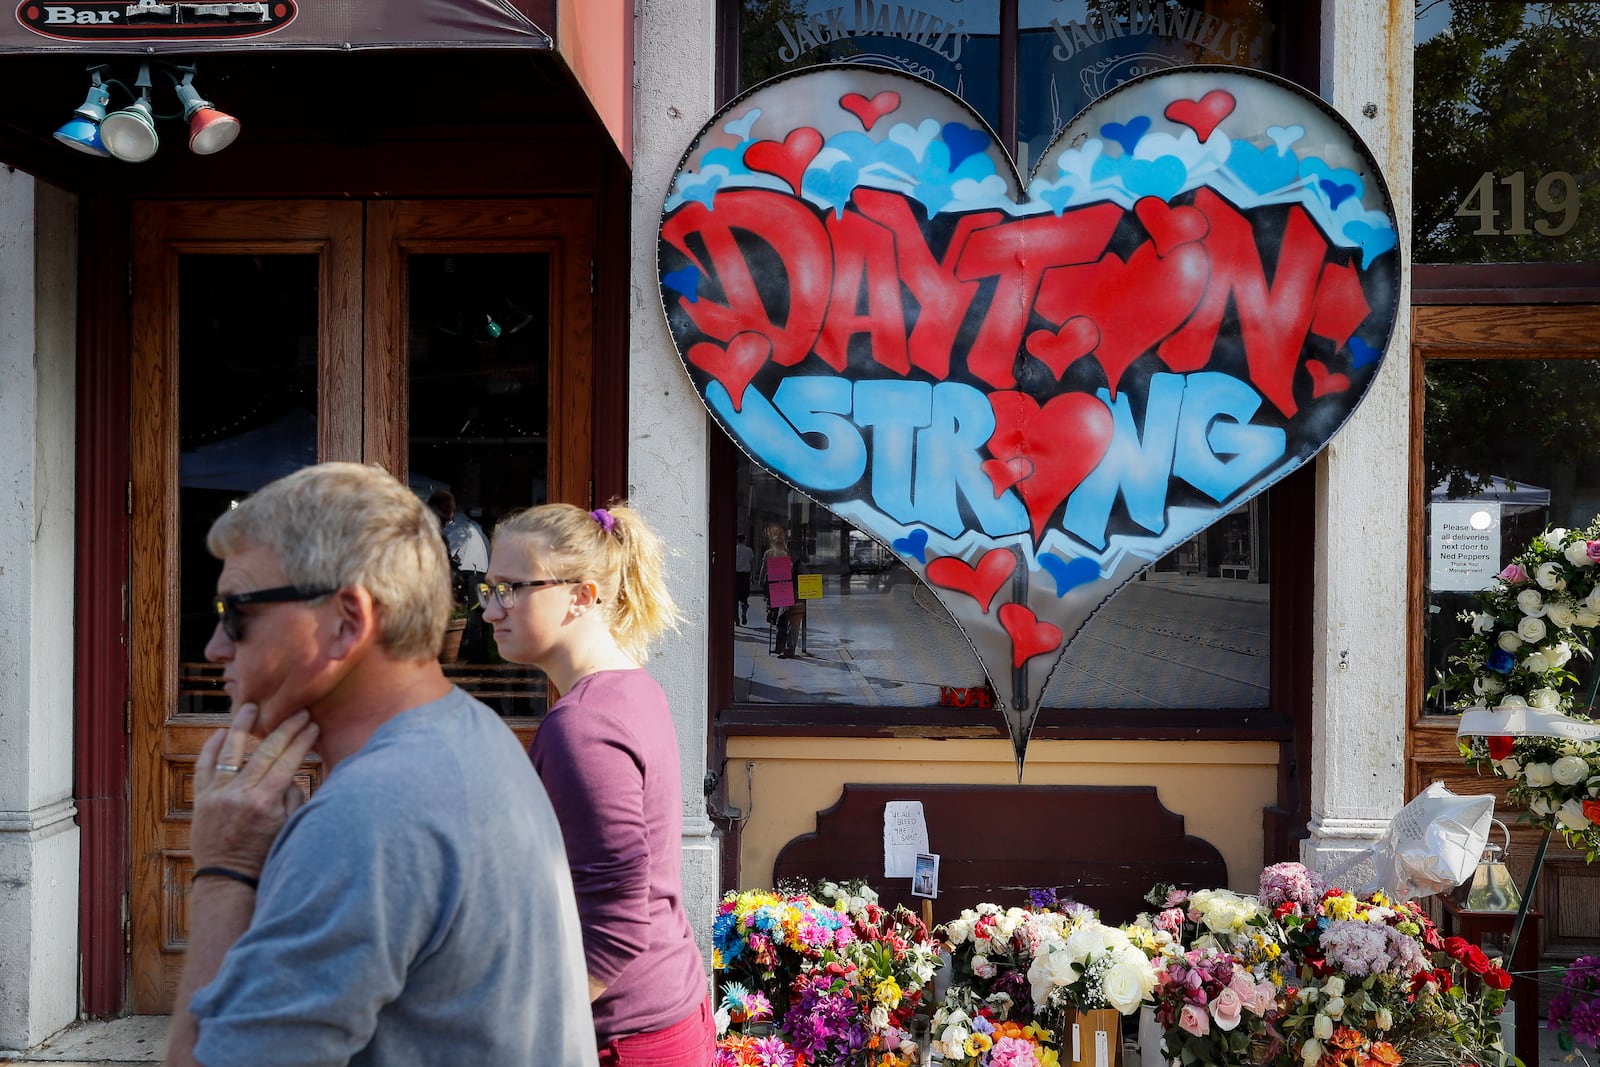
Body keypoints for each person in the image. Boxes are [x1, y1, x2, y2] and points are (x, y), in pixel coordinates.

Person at [166, 462, 596, 1067]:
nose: (214, 648)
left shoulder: (370, 815)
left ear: (347, 622)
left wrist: (225, 873)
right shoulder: (470, 734)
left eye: (237, 613)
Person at [481, 501, 715, 1067]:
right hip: (665, 1014)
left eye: (512, 588)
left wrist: (513, 1026)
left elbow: (616, 920)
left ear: (582, 597)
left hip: (624, 1038)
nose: (490, 610)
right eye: (487, 589)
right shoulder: (632, 688)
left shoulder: (581, 726)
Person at [733, 533, 754, 625]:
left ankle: (736, 618)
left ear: (737, 540)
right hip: (745, 576)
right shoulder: (749, 550)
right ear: (744, 540)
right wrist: (752, 576)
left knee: (735, 599)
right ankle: (744, 611)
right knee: (744, 597)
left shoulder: (734, 549)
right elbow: (752, 563)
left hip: (736, 576)